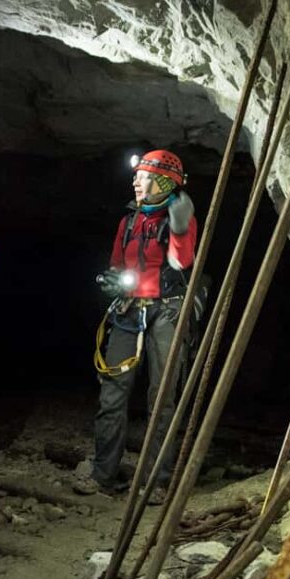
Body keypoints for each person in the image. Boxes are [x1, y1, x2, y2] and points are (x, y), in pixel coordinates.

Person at [74, 150, 197, 505]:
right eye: (137, 176)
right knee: (112, 393)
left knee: (162, 398)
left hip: (166, 312)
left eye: (143, 176)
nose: (135, 181)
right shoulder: (128, 221)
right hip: (129, 311)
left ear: (162, 182)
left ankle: (158, 480)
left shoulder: (180, 216)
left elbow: (181, 261)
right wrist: (113, 282)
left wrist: (179, 226)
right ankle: (103, 474)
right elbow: (117, 262)